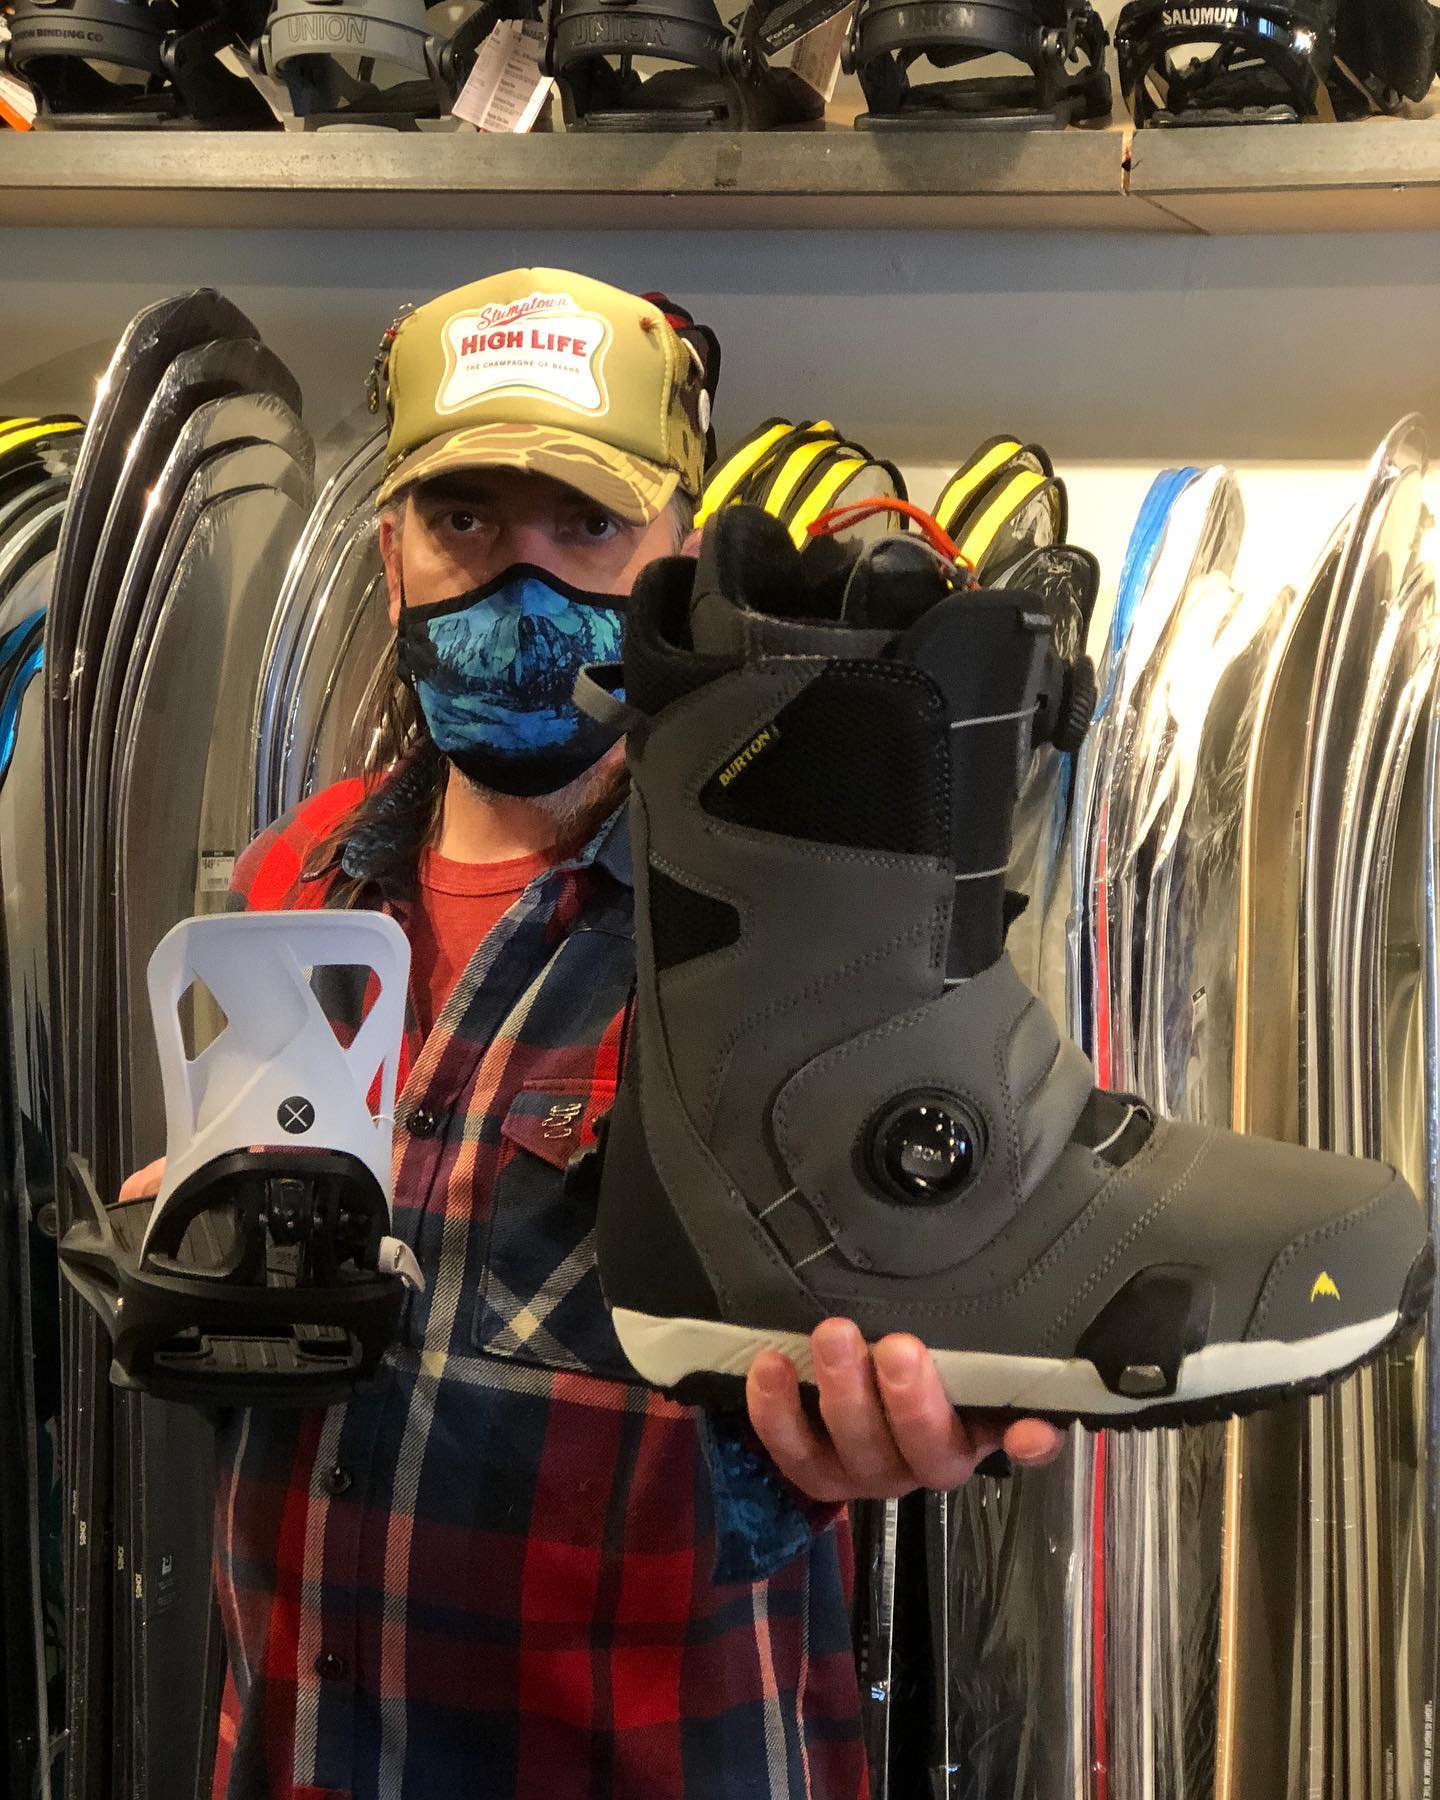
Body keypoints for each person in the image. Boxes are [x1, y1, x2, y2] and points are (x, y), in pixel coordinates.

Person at [122, 267, 1062, 1798]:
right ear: (391, 557)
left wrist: (876, 1427)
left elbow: (916, 1324)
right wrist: (202, 1264)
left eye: (586, 525)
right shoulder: (296, 881)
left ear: (676, 560)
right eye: (466, 518)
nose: (522, 575)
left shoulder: (799, 934)